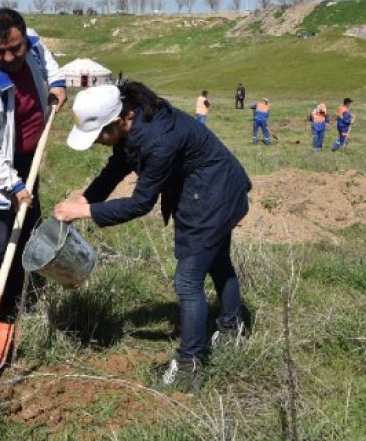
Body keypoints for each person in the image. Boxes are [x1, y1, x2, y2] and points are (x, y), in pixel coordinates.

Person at [53, 81, 251, 392]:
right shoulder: (135, 122)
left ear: (119, 121)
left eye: (98, 136)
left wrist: (85, 213)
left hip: (212, 196)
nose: (97, 143)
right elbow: (117, 166)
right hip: (211, 187)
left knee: (188, 281)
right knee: (218, 262)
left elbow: (140, 203)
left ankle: (190, 364)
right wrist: (86, 199)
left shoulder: (157, 139)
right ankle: (231, 327)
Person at [0, 8, 65, 369]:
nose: (8, 58)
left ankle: (15, 306)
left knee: (25, 236)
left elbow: (46, 57)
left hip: (27, 159)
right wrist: (15, 185)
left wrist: (57, 83)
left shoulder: (31, 42)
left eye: (14, 49)